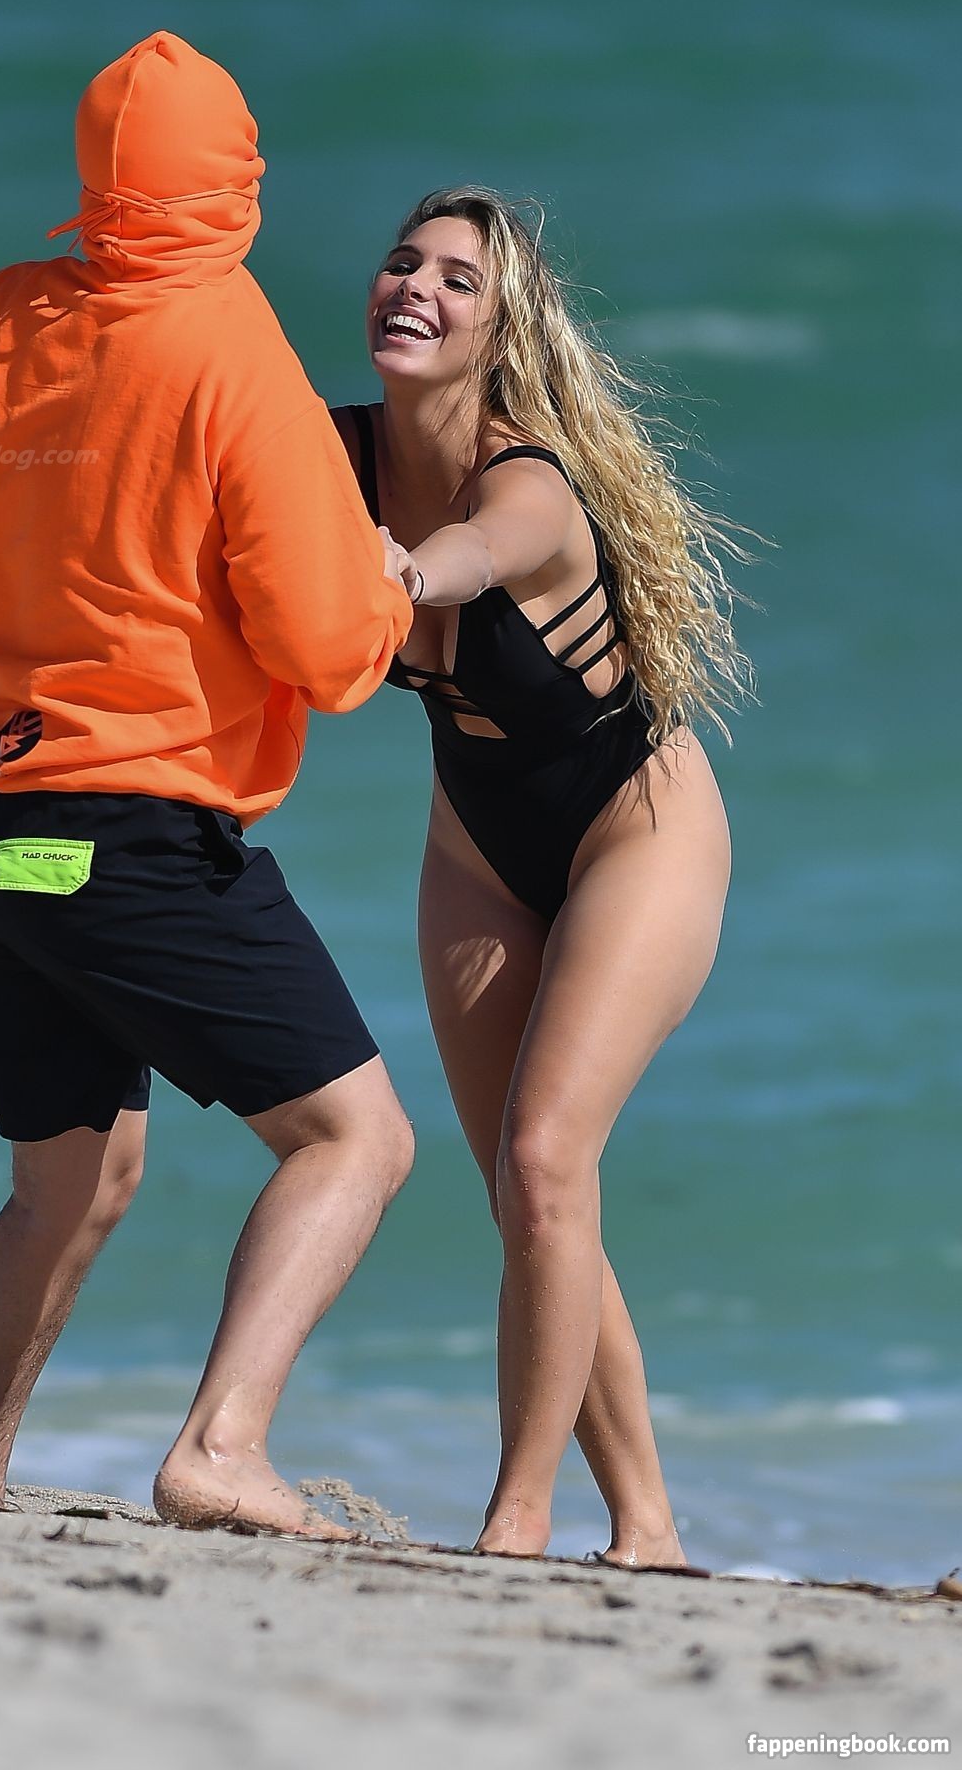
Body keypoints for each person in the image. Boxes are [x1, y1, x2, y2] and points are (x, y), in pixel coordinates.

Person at [0, 32, 415, 1538]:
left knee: (69, 1181)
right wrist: (385, 589)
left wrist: (59, 563)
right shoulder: (234, 349)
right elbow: (326, 650)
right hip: (134, 834)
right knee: (356, 1140)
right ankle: (221, 1449)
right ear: (238, 182)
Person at [333, 187, 754, 1567]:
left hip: (637, 825)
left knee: (544, 1157)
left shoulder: (529, 481)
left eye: (460, 280)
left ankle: (518, 1520)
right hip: (475, 842)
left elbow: (469, 558)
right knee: (528, 1195)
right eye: (404, 262)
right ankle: (650, 1527)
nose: (417, 287)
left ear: (502, 332)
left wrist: (400, 570)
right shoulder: (332, 452)